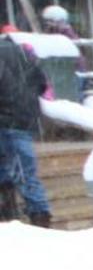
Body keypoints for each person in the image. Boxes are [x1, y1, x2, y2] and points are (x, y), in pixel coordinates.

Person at [0, 29, 52, 227]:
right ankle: (36, 216)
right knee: (23, 170)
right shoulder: (22, 54)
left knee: (18, 170)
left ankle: (33, 215)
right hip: (24, 119)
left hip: (7, 119)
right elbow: (41, 84)